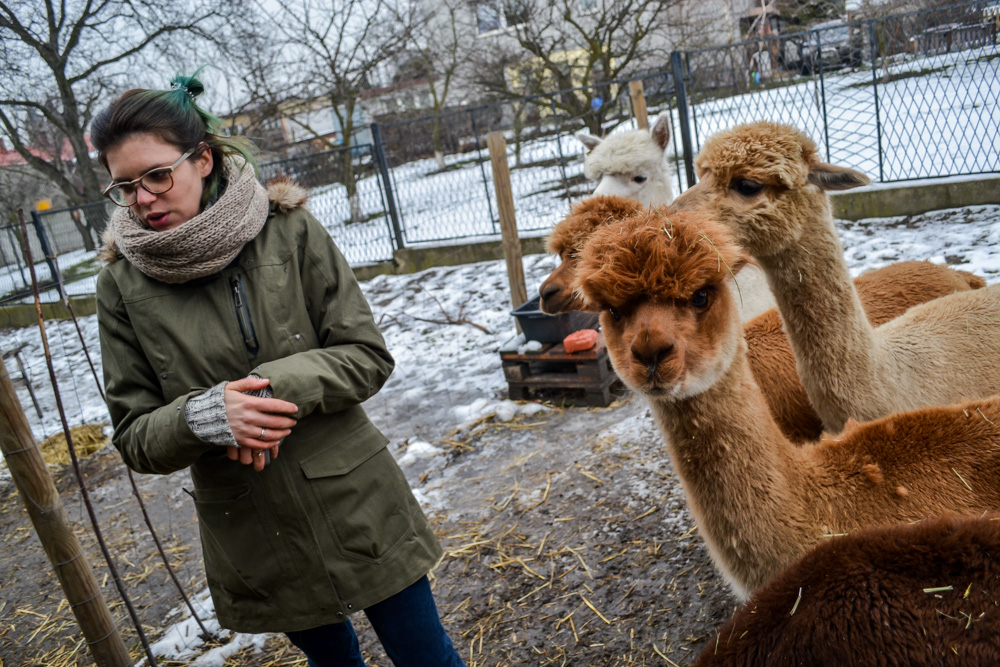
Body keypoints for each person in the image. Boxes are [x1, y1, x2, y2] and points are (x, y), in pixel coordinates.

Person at [92, 73, 465, 667]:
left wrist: (267, 390)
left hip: (356, 499)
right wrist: (206, 417)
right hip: (255, 530)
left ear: (203, 159)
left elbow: (367, 356)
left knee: (428, 659)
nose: (143, 199)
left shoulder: (287, 232)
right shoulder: (119, 286)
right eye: (124, 187)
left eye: (158, 175)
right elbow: (136, 438)